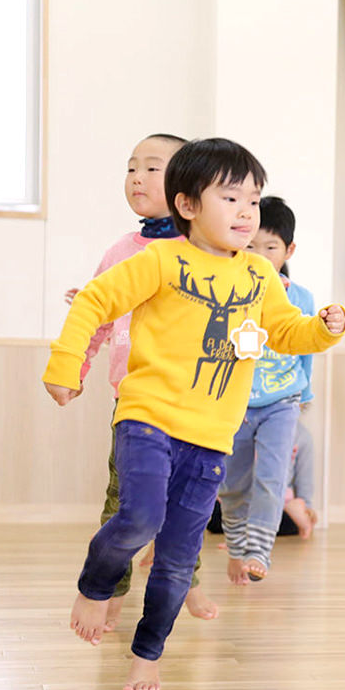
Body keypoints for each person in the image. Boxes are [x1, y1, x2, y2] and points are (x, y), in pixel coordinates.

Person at [43, 137, 345, 690]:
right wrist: (65, 365)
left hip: (211, 436)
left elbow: (286, 333)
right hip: (147, 417)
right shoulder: (159, 260)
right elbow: (94, 301)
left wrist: (324, 329)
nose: (246, 212)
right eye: (231, 199)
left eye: (252, 200)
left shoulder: (259, 275)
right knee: (140, 518)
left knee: (180, 557)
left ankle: (148, 654)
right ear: (187, 205)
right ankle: (95, 585)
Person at [64, 132, 218, 629]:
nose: (137, 177)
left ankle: (189, 581)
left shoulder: (205, 252)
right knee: (124, 501)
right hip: (134, 401)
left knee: (187, 505)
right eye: (131, 167)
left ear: (188, 187)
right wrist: (76, 369)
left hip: (194, 403)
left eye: (152, 167)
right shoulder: (121, 251)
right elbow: (96, 316)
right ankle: (110, 589)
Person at [218, 196, 318, 584]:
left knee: (272, 477)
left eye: (270, 247)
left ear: (288, 251)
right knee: (234, 482)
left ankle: (259, 549)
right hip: (236, 402)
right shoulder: (229, 290)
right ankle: (237, 547)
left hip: (282, 401)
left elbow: (306, 347)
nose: (259, 255)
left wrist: (304, 393)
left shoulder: (301, 298)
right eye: (251, 245)